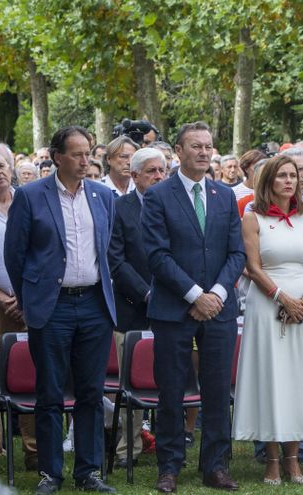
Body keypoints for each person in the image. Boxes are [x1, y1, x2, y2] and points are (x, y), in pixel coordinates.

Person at [5, 126, 118, 494]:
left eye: (88, 153)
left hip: (94, 305)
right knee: (50, 392)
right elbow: (15, 255)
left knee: (90, 391)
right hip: (51, 307)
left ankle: (88, 472)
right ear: (57, 157)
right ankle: (51, 473)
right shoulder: (31, 196)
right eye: (77, 154)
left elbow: (108, 250)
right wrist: (29, 297)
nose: (86, 160)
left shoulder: (102, 196)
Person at [141, 121, 246, 493]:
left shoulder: (224, 195)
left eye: (208, 146)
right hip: (174, 309)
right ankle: (169, 466)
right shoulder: (158, 196)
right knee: (171, 391)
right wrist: (193, 295)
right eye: (196, 146)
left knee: (218, 391)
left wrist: (215, 293)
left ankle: (215, 466)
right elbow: (156, 254)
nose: (204, 152)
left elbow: (237, 252)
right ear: (179, 153)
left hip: (219, 308)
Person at [232, 154, 303, 485]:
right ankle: (272, 460)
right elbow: (252, 267)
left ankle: (295, 460)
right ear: (269, 181)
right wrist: (282, 298)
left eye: (293, 175)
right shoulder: (253, 218)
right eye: (282, 176)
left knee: (298, 381)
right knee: (272, 380)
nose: (290, 181)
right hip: (268, 304)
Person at [108, 147, 166, 467]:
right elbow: (115, 260)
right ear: (135, 176)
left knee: (169, 379)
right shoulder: (118, 208)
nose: (159, 176)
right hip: (132, 309)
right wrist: (146, 294)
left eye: (162, 171)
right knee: (131, 384)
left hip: (172, 308)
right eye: (152, 171)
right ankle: (125, 450)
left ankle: (168, 447)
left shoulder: (173, 205)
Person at [0, 144, 38, 468]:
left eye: (1, 164)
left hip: (29, 303)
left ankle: (33, 451)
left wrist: (24, 297)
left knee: (31, 377)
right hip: (0, 306)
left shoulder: (28, 202)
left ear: (12, 167)